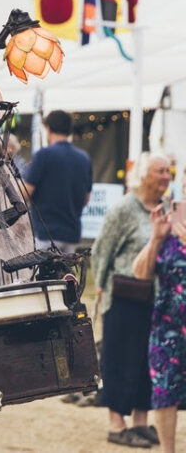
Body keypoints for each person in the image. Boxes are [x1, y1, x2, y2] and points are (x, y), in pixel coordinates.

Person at [93, 152, 170, 448]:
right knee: (120, 359)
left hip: (156, 297)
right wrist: (101, 286)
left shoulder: (165, 209)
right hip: (124, 296)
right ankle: (116, 424)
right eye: (159, 171)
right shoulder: (124, 208)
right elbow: (102, 250)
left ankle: (140, 421)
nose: (165, 176)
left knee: (147, 361)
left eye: (168, 171)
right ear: (143, 175)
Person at [132, 186, 185, 453]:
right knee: (165, 392)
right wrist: (155, 238)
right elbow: (140, 273)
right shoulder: (168, 233)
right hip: (168, 328)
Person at [23, 110, 93, 253]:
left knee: (41, 275)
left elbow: (26, 193)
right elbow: (86, 199)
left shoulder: (44, 155)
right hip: (72, 234)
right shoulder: (84, 158)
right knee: (65, 275)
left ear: (48, 128)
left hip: (46, 233)